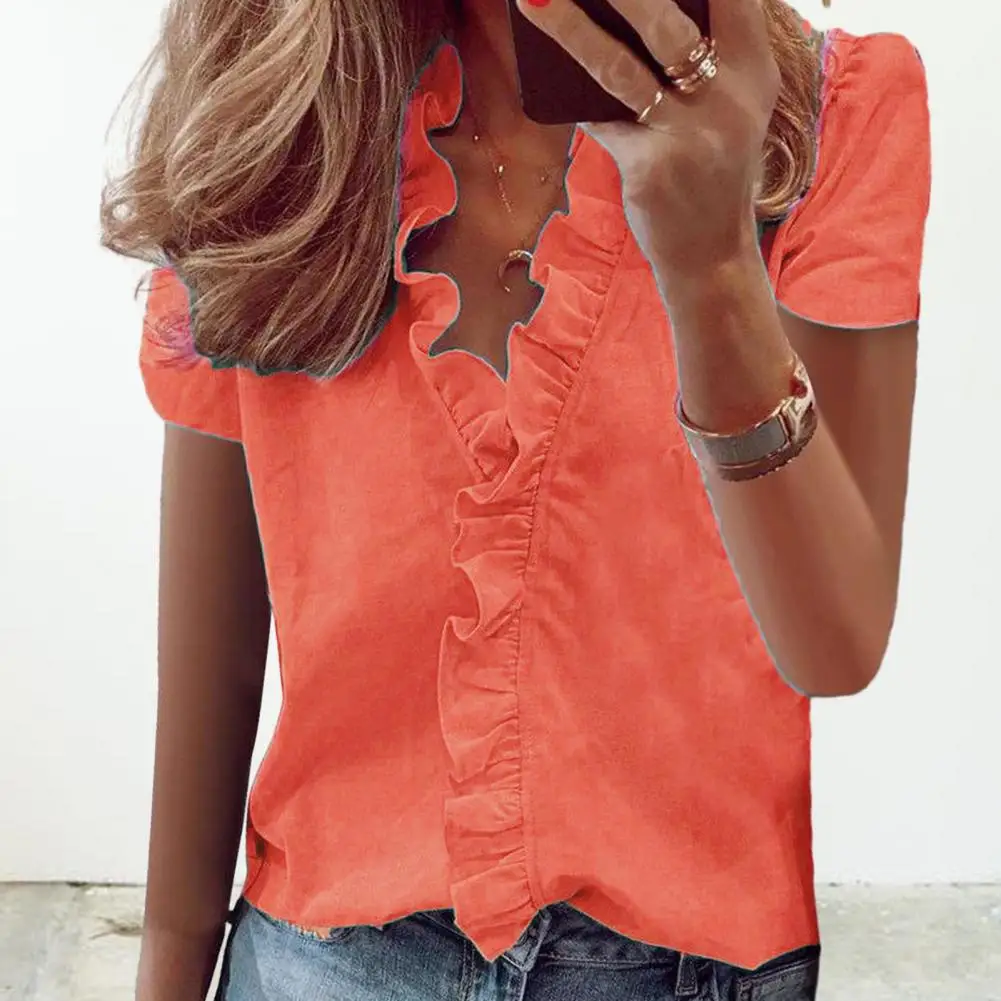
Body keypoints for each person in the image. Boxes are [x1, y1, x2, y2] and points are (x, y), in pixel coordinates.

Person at [101, 0, 930, 998]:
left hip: (691, 966)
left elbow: (834, 642)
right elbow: (215, 656)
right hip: (322, 957)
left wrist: (710, 267)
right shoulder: (271, 118)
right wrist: (168, 961)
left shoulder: (834, 113)